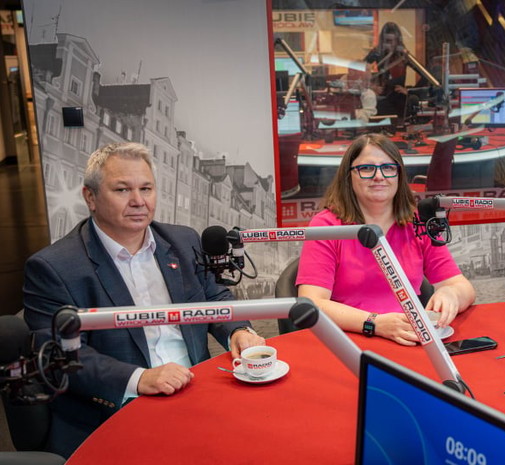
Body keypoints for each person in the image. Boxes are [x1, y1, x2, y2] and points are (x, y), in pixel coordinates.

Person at [23, 142, 265, 457]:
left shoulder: (184, 241)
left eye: (146, 188)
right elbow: (61, 357)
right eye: (122, 189)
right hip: (115, 412)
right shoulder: (53, 268)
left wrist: (237, 330)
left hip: (198, 391)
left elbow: (213, 295)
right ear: (90, 197)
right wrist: (140, 379)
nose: (138, 201)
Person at [296, 133, 475, 346]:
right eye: (366, 168)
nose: (379, 176)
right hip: (347, 343)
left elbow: (463, 287)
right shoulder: (326, 226)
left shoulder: (419, 222)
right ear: (348, 175)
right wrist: (375, 323)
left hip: (406, 339)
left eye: (388, 168)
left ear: (399, 174)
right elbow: (312, 302)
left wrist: (451, 294)